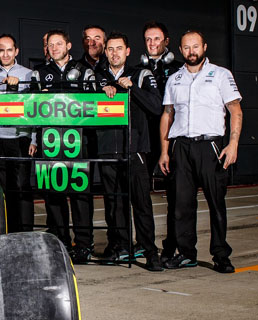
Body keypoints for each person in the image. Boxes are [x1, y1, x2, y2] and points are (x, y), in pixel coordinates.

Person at [159, 30, 242, 273]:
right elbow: (167, 115)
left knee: (216, 204)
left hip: (210, 147)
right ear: (180, 50)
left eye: (195, 46)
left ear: (204, 47)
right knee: (182, 205)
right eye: (186, 47)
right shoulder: (174, 79)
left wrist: (233, 144)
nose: (191, 51)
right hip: (181, 147)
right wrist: (165, 151)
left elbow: (235, 110)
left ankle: (221, 255)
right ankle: (187, 254)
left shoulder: (221, 75)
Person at [94, 32, 163, 271]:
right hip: (107, 151)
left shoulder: (141, 75)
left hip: (135, 151)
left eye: (119, 48)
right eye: (110, 49)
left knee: (141, 203)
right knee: (114, 204)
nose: (115, 53)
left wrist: (132, 88)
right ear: (106, 52)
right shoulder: (97, 76)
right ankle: (120, 246)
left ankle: (150, 251)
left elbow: (156, 107)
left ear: (128, 51)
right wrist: (102, 90)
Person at [31, 29, 96, 263]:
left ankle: (84, 245)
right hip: (49, 142)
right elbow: (30, 108)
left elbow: (93, 104)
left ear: (68, 46)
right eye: (51, 44)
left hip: (77, 141)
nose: (54, 48)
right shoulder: (39, 72)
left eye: (59, 43)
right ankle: (60, 243)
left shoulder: (84, 70)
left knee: (80, 196)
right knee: (53, 195)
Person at [140, 21, 184, 262]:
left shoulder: (179, 70)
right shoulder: (138, 70)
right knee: (140, 195)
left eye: (156, 38)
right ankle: (145, 244)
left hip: (170, 139)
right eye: (148, 39)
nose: (152, 43)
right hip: (145, 140)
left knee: (175, 196)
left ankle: (172, 246)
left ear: (166, 41)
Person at [0, 33, 37, 232]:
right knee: (0, 188)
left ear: (16, 51)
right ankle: (4, 231)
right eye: (1, 50)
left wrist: (33, 138)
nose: (5, 54)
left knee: (22, 186)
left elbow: (34, 108)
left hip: (20, 138)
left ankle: (26, 232)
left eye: (9, 50)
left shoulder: (28, 74)